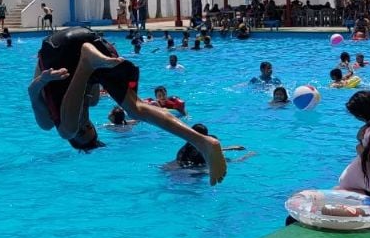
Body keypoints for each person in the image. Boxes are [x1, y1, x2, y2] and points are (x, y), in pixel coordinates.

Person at [27, 26, 227, 185]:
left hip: (59, 48)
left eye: (82, 131)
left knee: (65, 129)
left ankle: (87, 61)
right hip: (92, 43)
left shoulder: (48, 120)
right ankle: (203, 142)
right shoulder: (87, 100)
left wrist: (43, 81)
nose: (82, 125)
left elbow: (32, 91)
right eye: (88, 128)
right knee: (135, 108)